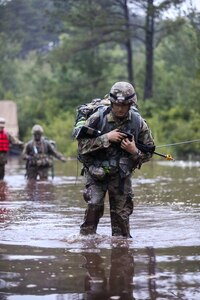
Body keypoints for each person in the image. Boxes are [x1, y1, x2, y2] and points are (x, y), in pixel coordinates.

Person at [77, 81, 155, 237]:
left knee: (121, 219)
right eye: (117, 105)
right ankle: (87, 244)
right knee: (94, 206)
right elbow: (81, 147)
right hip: (96, 171)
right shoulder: (97, 118)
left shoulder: (138, 123)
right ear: (111, 103)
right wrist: (106, 138)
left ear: (131, 104)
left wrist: (134, 151)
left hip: (121, 176)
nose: (120, 108)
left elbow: (149, 152)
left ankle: (122, 253)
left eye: (124, 105)